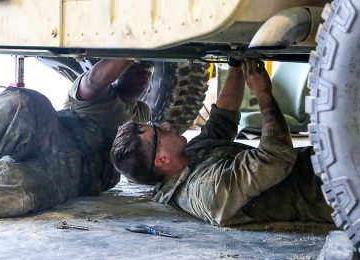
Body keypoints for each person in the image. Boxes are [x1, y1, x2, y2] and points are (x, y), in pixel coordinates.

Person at [111, 58, 333, 226]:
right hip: (332, 192)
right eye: (159, 130)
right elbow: (276, 156)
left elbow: (222, 120)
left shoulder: (187, 157)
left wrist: (236, 64)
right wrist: (263, 93)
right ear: (162, 159)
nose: (166, 125)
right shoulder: (206, 191)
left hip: (326, 165)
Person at [0, 59, 153, 219]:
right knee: (23, 101)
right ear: (117, 72)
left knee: (24, 190)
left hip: (79, 174)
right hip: (54, 135)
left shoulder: (143, 113)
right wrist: (133, 47)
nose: (144, 72)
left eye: (148, 71)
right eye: (135, 67)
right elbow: (94, 81)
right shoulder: (102, 94)